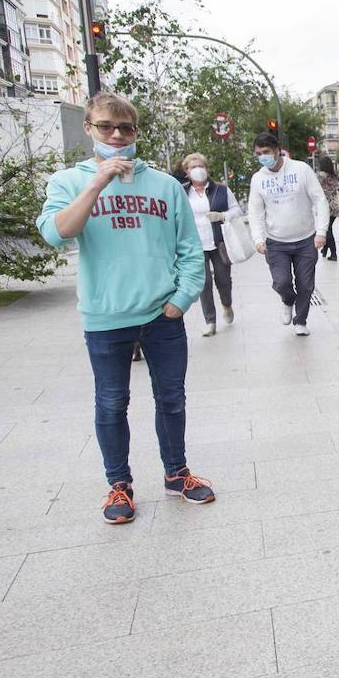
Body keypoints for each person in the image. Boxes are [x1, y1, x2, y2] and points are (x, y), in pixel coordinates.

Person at [35, 92, 215, 524]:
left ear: (136, 132)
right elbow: (55, 233)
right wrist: (97, 182)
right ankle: (119, 484)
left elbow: (190, 250)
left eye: (126, 128)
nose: (117, 136)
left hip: (161, 317)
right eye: (106, 127)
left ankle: (177, 474)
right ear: (89, 129)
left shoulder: (166, 186)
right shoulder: (68, 182)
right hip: (105, 317)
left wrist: (180, 300)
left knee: (172, 399)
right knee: (112, 403)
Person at [247, 132, 329, 336]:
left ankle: (300, 321)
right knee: (281, 282)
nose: (262, 156)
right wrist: (258, 238)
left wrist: (321, 232)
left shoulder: (301, 169)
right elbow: (255, 211)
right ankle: (287, 300)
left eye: (266, 152)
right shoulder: (258, 179)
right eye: (258, 153)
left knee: (305, 284)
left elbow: (319, 200)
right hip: (276, 242)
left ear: (277, 150)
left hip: (306, 239)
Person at [182, 152, 243, 337]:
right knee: (204, 283)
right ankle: (210, 321)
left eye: (201, 166)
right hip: (195, 244)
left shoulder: (221, 190)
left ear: (207, 169)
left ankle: (227, 304)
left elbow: (237, 209)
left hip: (219, 242)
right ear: (187, 172)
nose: (197, 170)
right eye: (193, 167)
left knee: (223, 280)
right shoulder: (182, 191)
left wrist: (223, 216)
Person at [318, 155, 339, 261]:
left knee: (328, 230)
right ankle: (325, 250)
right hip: (335, 205)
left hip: (326, 206)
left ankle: (334, 254)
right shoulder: (334, 176)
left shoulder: (321, 176)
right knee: (328, 228)